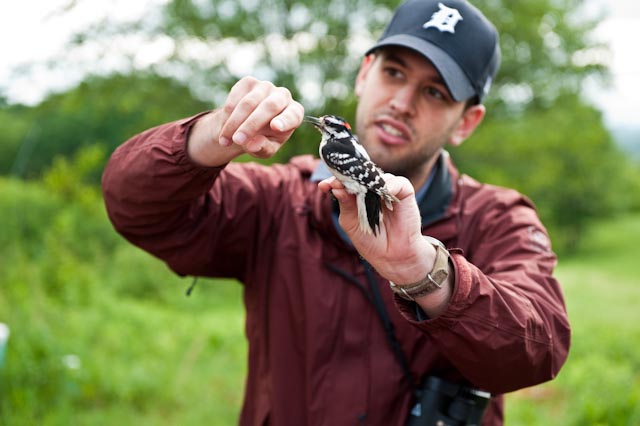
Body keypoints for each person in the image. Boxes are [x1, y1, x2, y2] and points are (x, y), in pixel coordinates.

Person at [102, 0, 571, 424]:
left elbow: (539, 349)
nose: (402, 103)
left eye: (435, 93)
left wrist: (423, 272)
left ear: (466, 121)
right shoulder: (277, 200)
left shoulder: (499, 219)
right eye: (394, 72)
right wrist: (216, 134)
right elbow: (134, 204)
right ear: (365, 73)